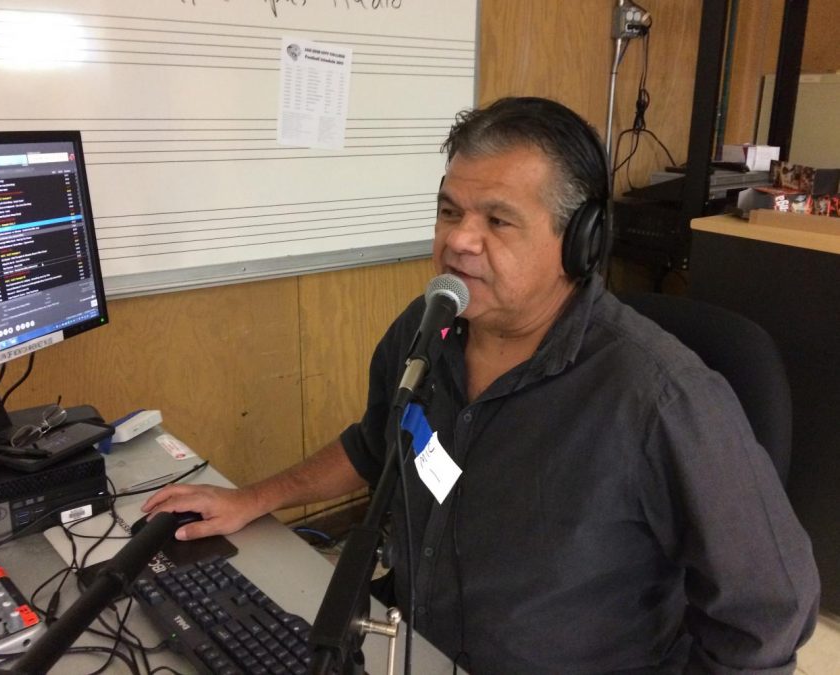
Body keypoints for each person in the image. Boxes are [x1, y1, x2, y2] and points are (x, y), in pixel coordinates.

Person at [143, 97, 820, 673]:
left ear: (579, 243)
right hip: (414, 648)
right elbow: (379, 440)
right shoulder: (428, 324)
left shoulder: (663, 399)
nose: (459, 241)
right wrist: (252, 498)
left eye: (496, 221)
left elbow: (769, 611)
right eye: (449, 211)